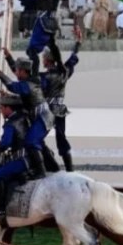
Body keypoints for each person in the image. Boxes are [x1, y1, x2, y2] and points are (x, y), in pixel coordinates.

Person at [0, 50, 52, 178]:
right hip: (42, 117)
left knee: (31, 141)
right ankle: (51, 166)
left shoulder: (28, 84)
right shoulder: (28, 82)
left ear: (23, 71)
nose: (15, 73)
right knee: (37, 142)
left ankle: (41, 172)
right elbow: (17, 89)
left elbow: (12, 85)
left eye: (17, 71)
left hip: (43, 118)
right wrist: (8, 57)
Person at [10, 0, 68, 75]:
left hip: (43, 21)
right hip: (53, 20)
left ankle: (34, 76)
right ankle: (60, 66)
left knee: (31, 50)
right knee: (52, 44)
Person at [0, 94, 32, 224]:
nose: (1, 111)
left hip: (21, 160)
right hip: (31, 158)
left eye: (1, 108)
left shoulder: (11, 123)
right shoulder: (25, 118)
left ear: (8, 108)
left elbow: (6, 143)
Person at [40, 33, 81, 172]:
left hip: (46, 111)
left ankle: (50, 165)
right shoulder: (64, 72)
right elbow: (73, 59)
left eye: (43, 58)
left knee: (36, 138)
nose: (42, 60)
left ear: (47, 60)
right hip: (59, 109)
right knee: (62, 140)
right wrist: (78, 43)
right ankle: (70, 169)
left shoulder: (44, 77)